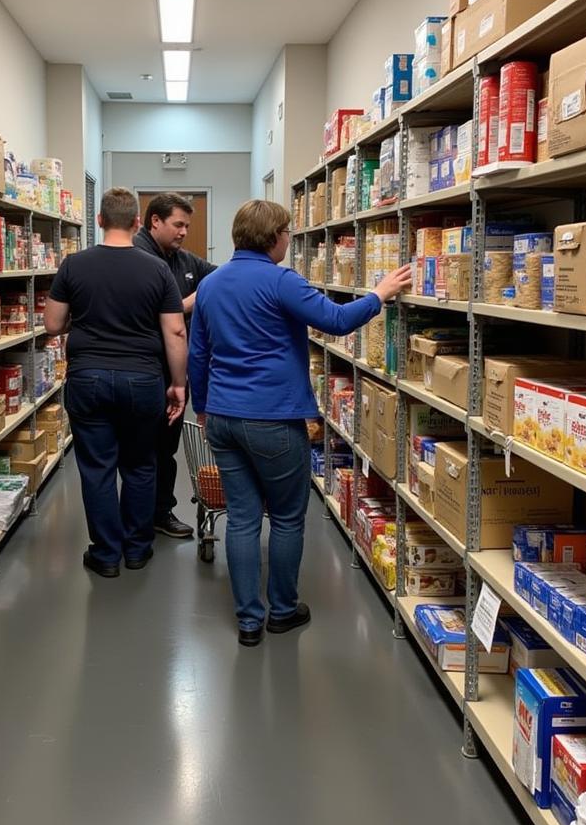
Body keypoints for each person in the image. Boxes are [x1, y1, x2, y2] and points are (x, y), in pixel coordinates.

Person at [188, 200, 411, 645]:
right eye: (288, 232)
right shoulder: (280, 281)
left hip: (223, 418)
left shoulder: (211, 285)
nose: (289, 239)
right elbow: (336, 320)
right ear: (274, 237)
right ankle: (282, 610)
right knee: (288, 517)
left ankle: (249, 620)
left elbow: (198, 353)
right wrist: (379, 294)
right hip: (273, 418)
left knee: (243, 518)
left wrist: (203, 404)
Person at [46, 187, 187, 578]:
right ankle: (138, 549)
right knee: (142, 465)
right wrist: (179, 384)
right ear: (138, 222)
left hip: (88, 378)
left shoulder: (73, 265)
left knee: (97, 468)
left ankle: (106, 554)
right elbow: (175, 332)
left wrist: (89, 320)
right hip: (143, 380)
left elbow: (53, 324)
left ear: (100, 220)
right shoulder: (157, 269)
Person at [133, 192, 217, 539]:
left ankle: (159, 513)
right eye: (178, 224)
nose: (184, 232)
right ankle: (138, 523)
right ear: (155, 221)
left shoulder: (182, 260)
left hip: (172, 372)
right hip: (142, 369)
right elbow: (145, 312)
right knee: (140, 452)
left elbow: (218, 277)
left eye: (187, 225)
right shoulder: (136, 258)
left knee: (164, 449)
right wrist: (190, 301)